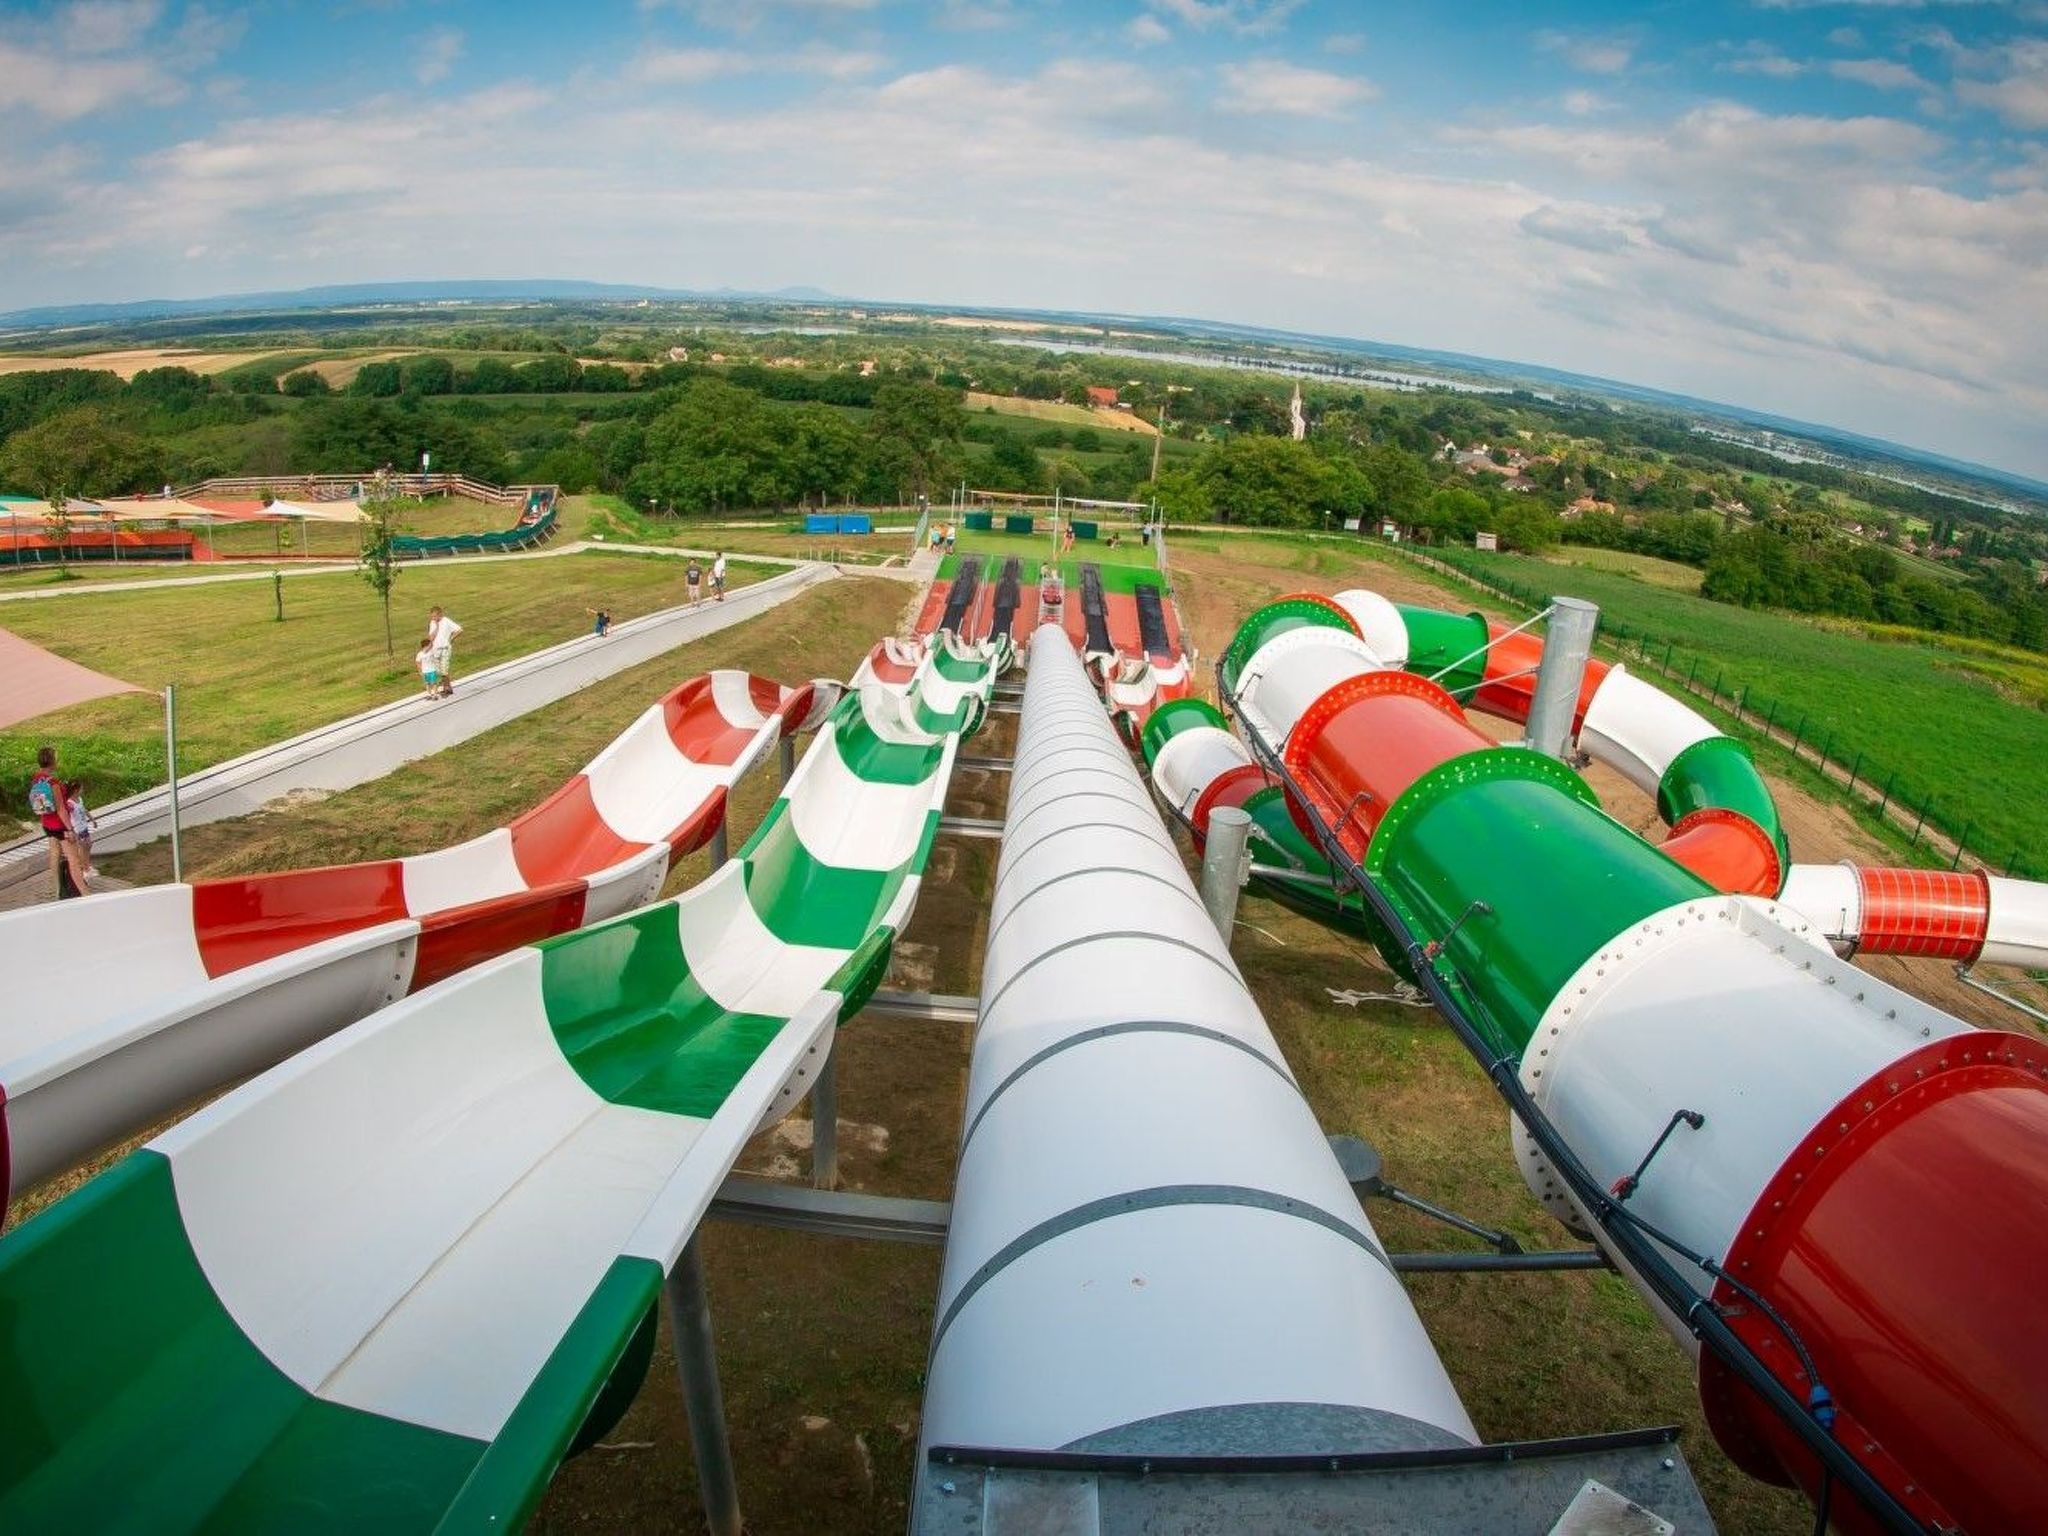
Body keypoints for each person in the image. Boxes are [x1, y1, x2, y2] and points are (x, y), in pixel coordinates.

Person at [30, 745, 90, 898]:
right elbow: (61, 809)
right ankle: (85, 893)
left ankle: (57, 891)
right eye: (56, 758)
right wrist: (70, 829)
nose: (58, 761)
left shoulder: (36, 778)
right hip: (60, 826)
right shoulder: (53, 783)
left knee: (54, 854)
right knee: (73, 860)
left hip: (46, 824)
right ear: (52, 761)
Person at [424, 605, 461, 697]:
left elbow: (459, 630)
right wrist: (436, 627)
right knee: (439, 671)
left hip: (445, 649)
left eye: (434, 616)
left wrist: (450, 639)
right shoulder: (432, 623)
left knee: (444, 670)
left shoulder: (446, 621)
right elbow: (431, 637)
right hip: (435, 650)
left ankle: (447, 689)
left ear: (440, 614)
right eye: (432, 616)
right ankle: (448, 687)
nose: (433, 618)